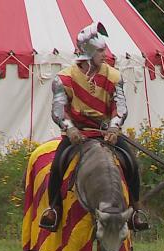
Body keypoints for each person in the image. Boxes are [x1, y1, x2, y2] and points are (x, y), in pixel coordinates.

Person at [39, 22, 148, 232]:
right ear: (87, 51)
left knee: (132, 163)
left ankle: (135, 209)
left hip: (106, 134)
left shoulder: (114, 76)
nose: (105, 54)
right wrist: (70, 129)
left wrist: (115, 127)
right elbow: (59, 111)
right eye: (100, 50)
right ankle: (54, 209)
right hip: (77, 136)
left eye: (104, 50)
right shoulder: (64, 78)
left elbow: (120, 106)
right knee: (57, 166)